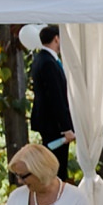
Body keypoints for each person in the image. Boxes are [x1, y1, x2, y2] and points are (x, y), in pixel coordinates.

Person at [29, 25, 74, 178]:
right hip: (53, 124)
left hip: (49, 122)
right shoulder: (48, 62)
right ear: (56, 38)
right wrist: (66, 127)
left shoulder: (41, 59)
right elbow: (56, 97)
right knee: (57, 165)